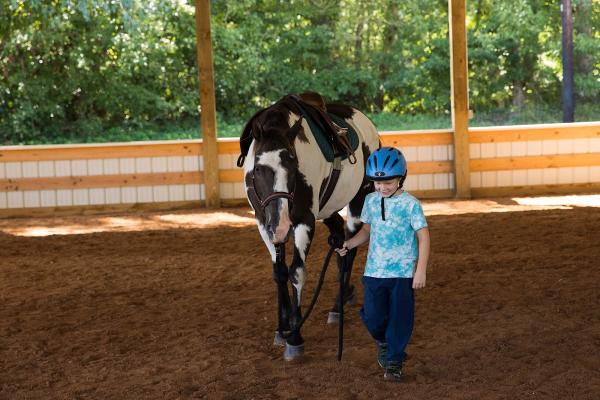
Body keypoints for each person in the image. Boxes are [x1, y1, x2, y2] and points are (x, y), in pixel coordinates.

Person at [336, 146, 430, 382]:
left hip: (403, 273)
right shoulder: (370, 200)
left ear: (401, 178)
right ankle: (384, 343)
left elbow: (423, 236)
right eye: (378, 183)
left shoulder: (411, 204)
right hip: (375, 271)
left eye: (388, 182)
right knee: (373, 316)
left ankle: (395, 361)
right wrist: (349, 243)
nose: (383, 187)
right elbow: (367, 230)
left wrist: (420, 270)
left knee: (400, 318)